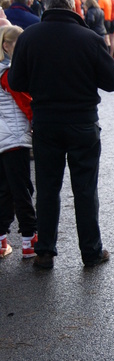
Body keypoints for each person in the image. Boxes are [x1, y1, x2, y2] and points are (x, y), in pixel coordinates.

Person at [8, 0, 114, 269]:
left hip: (45, 123)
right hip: (83, 123)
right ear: (73, 7)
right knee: (85, 189)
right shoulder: (89, 39)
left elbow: (17, 81)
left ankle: (45, 251)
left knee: (47, 188)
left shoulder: (29, 37)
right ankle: (91, 252)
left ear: (44, 7)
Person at [0, 26, 37, 259]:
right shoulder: (8, 73)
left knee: (4, 191)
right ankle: (29, 240)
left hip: (3, 139)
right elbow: (27, 104)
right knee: (23, 189)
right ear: (7, 45)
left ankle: (2, 240)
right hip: (14, 139)